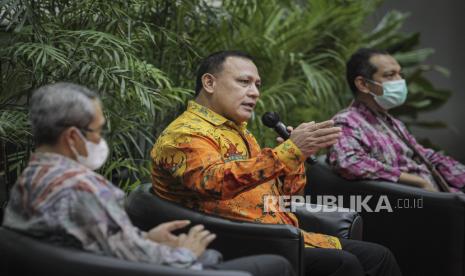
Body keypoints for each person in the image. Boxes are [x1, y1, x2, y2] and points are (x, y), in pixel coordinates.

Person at [2, 82, 294, 276]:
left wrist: (144, 237)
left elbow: (89, 238)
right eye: (97, 131)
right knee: (276, 264)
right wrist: (185, 253)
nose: (100, 139)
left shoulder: (31, 177)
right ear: (72, 137)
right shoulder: (81, 187)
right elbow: (131, 258)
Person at [151, 50, 402, 276]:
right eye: (243, 82)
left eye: (257, 85)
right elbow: (213, 182)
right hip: (240, 239)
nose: (255, 92)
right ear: (209, 83)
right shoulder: (185, 133)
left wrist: (296, 157)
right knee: (344, 264)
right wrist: (289, 151)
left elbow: (288, 196)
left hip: (281, 233)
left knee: (380, 255)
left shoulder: (239, 131)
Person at [328, 48, 465, 192]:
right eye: (390, 75)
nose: (400, 81)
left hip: (444, 198)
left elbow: (426, 156)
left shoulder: (391, 122)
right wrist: (418, 182)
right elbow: (348, 162)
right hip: (417, 206)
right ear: (363, 84)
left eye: (400, 74)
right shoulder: (346, 122)